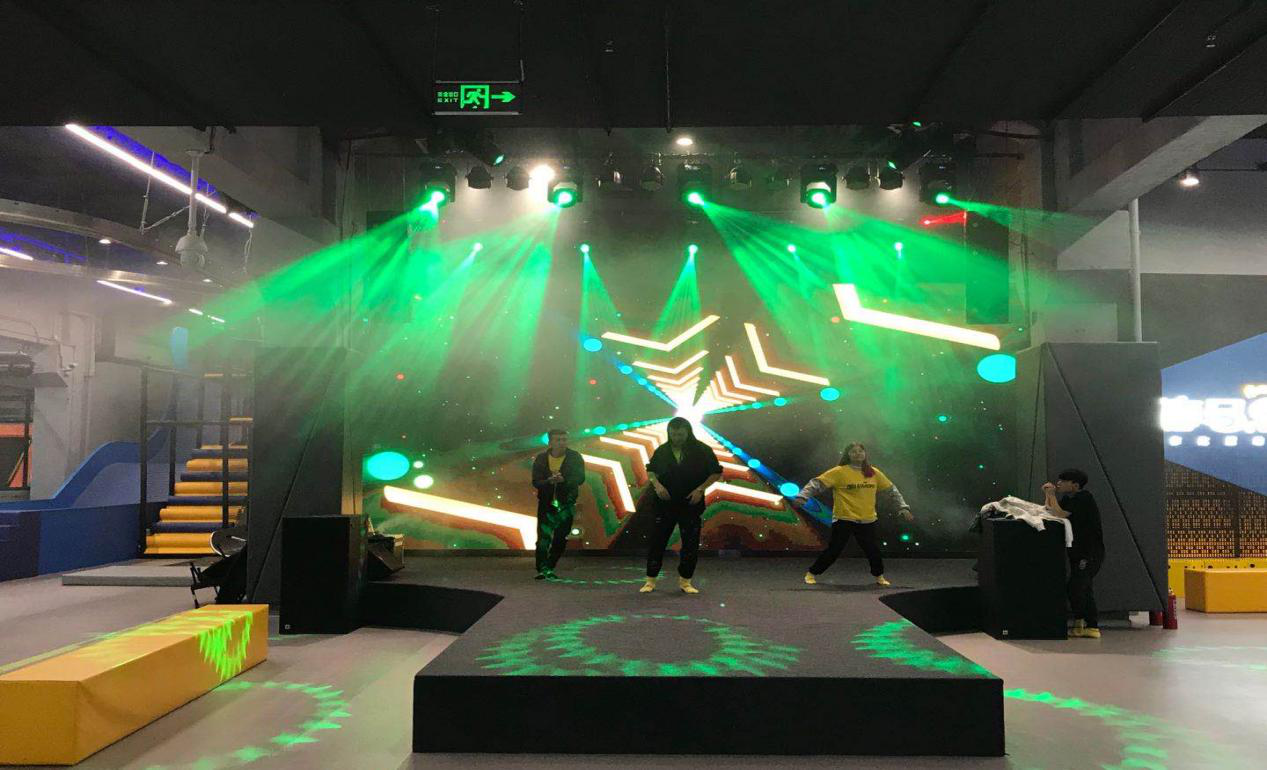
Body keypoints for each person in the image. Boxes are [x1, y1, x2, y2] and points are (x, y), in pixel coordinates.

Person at [793, 442, 913, 587]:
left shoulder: (873, 472)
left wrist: (903, 507)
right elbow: (816, 484)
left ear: (865, 454)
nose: (858, 454)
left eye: (860, 451)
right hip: (844, 518)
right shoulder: (839, 472)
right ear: (848, 454)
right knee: (834, 550)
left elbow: (891, 490)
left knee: (872, 550)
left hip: (867, 519)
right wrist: (803, 496)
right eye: (854, 451)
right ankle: (811, 573)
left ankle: (879, 577)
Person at [640, 417, 723, 594]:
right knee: (657, 542)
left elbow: (716, 472)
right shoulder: (662, 450)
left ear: (688, 432)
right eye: (673, 434)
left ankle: (686, 581)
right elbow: (651, 470)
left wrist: (700, 489)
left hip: (690, 503)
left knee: (690, 544)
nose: (676, 438)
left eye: (680, 435)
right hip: (664, 503)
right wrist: (657, 485)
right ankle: (650, 580)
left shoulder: (702, 450)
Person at [1042, 468, 1104, 639]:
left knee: (1079, 587)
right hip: (1077, 552)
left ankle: (1091, 625)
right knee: (1079, 587)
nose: (1059, 483)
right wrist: (1049, 495)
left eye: (1063, 481)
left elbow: (1060, 514)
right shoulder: (1069, 498)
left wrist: (1052, 495)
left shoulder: (1084, 498)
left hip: (1089, 553)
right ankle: (1082, 624)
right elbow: (1051, 511)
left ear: (1075, 485)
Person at [530, 428, 586, 580]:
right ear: (550, 442)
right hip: (546, 503)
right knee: (543, 538)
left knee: (561, 537)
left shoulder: (575, 457)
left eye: (564, 439)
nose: (562, 443)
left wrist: (564, 480)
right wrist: (549, 481)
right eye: (558, 440)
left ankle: (549, 566)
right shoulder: (541, 458)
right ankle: (542, 569)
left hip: (566, 504)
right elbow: (536, 482)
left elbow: (580, 478)